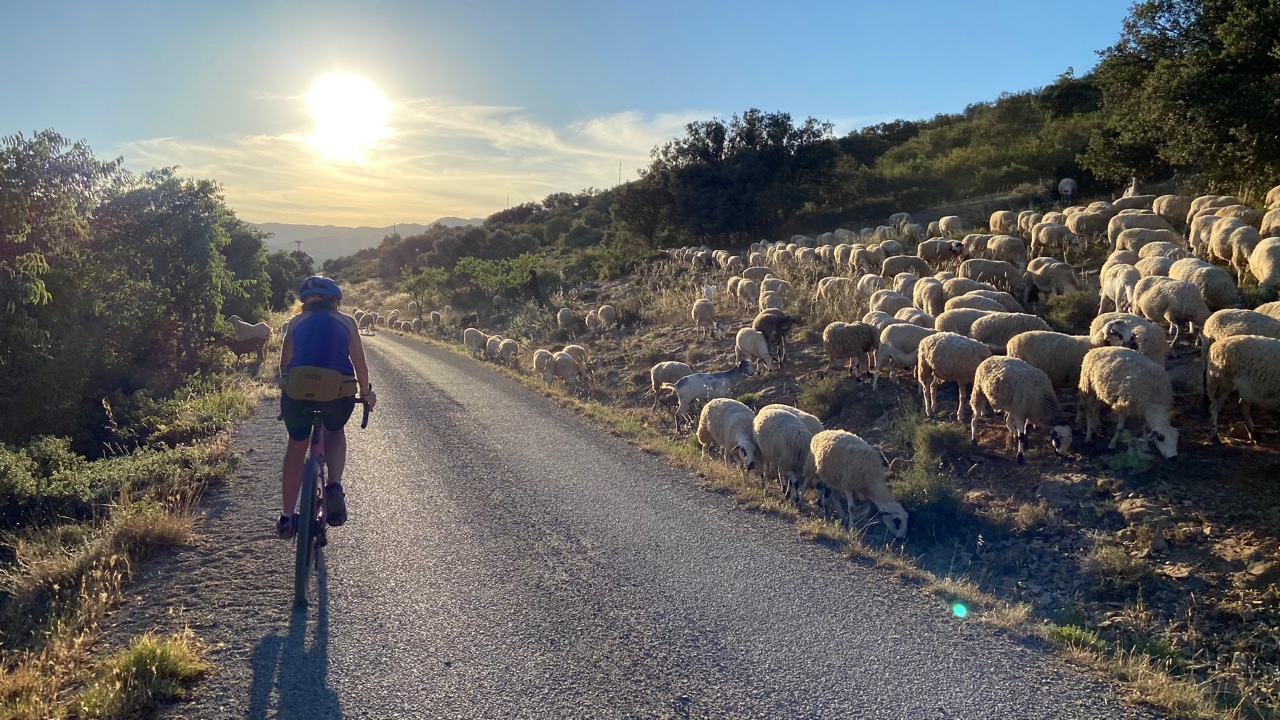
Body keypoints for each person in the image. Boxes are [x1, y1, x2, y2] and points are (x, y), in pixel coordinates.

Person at [277, 276, 376, 539]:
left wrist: (287, 389)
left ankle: (286, 517)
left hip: (298, 393)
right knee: (335, 432)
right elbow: (360, 366)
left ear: (305, 302)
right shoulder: (347, 322)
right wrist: (366, 394)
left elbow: (284, 366)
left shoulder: (294, 323)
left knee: (296, 445)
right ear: (335, 301)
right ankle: (334, 486)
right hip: (338, 393)